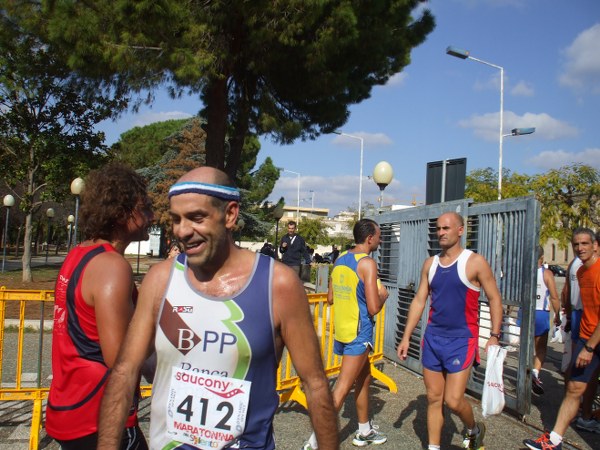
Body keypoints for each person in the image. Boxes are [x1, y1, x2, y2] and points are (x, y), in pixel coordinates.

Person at [97, 167, 338, 450]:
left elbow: (315, 384)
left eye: (196, 217)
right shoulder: (160, 280)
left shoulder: (278, 284)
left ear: (230, 215)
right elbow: (125, 372)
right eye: (176, 219)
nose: (182, 231)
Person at [45, 163, 154, 450]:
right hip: (100, 415)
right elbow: (120, 358)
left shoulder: (80, 253)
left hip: (69, 405)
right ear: (120, 213)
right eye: (144, 208)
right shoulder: (111, 266)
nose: (151, 216)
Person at [397, 212, 503, 450]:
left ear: (460, 230)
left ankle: (474, 429)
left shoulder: (475, 262)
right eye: (438, 228)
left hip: (461, 340)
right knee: (434, 398)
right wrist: (406, 336)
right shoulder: (430, 264)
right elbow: (419, 301)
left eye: (446, 228)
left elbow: (495, 298)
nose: (441, 233)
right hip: (433, 339)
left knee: (453, 401)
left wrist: (494, 335)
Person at [303, 218, 389, 450]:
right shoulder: (367, 264)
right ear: (369, 238)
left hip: (343, 330)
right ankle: (314, 442)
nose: (380, 241)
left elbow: (330, 298)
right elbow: (374, 307)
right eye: (379, 237)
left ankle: (364, 431)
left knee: (364, 378)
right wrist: (383, 296)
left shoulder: (340, 259)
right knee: (341, 389)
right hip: (359, 334)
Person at [524, 228, 600, 449]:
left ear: (595, 245)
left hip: (592, 341)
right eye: (576, 244)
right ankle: (554, 440)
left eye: (585, 243)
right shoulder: (581, 271)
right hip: (587, 336)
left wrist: (589, 347)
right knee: (574, 388)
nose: (580, 248)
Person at [528, 246, 561, 395]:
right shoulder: (546, 273)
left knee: (526, 346)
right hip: (541, 313)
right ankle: (535, 372)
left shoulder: (524, 272)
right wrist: (558, 315)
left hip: (525, 311)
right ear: (541, 258)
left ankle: (526, 371)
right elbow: (554, 296)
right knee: (540, 347)